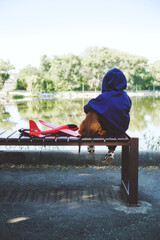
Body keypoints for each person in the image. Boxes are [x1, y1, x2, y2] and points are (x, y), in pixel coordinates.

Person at [83, 68, 132, 165]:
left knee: (93, 115)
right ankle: (111, 152)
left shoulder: (103, 97)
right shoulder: (126, 96)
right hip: (121, 129)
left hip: (106, 130)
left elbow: (87, 107)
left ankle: (91, 144)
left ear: (106, 82)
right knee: (113, 123)